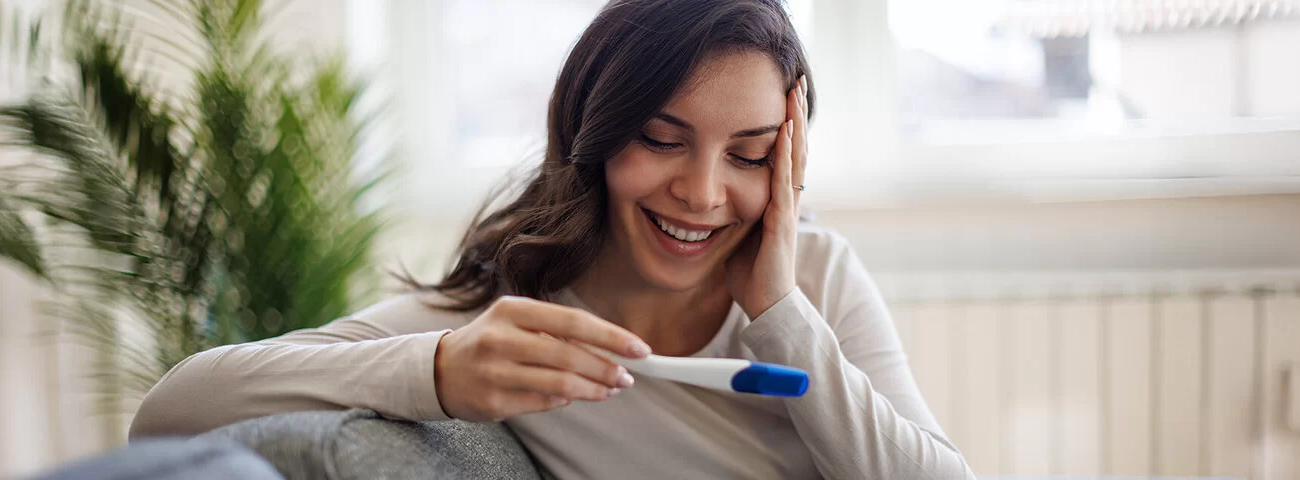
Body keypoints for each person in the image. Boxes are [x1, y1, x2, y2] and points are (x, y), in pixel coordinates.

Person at [130, 0, 975, 478]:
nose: (705, 193)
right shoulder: (516, 322)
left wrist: (781, 312)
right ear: (595, 130)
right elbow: (170, 412)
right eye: (661, 138)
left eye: (749, 154)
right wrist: (440, 372)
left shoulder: (816, 277)